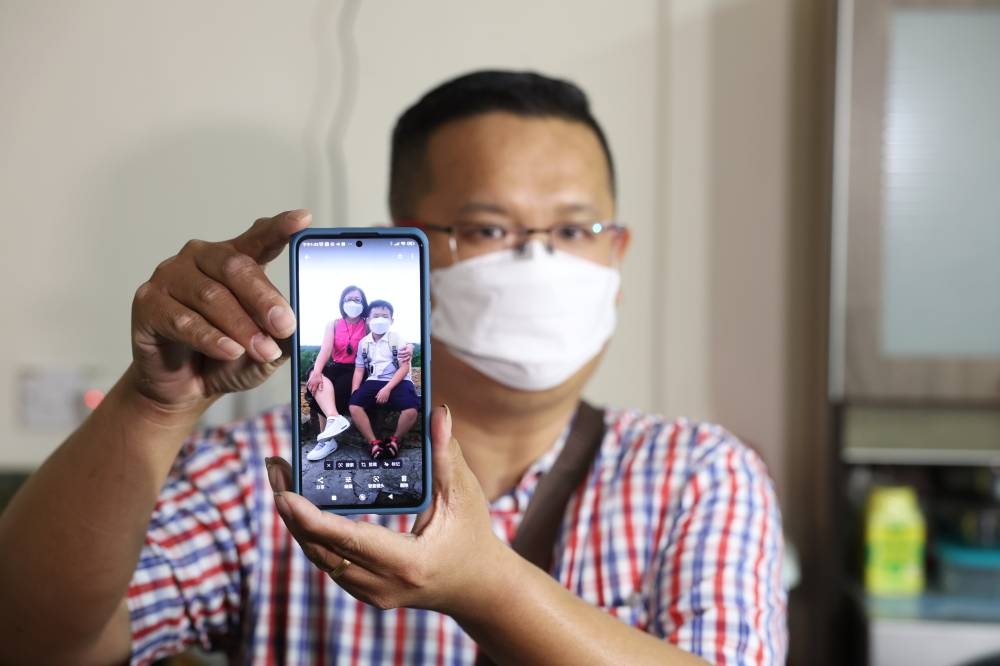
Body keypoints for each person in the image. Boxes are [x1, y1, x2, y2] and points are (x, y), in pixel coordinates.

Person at [0, 70, 786, 665]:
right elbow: (34, 641)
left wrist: (487, 585)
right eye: (488, 229)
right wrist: (150, 407)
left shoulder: (700, 475)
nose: (541, 260)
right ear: (401, 251)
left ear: (618, 252)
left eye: (577, 229)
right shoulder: (268, 477)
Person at [347, 299, 420, 459]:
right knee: (354, 406)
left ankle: (395, 440)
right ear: (368, 319)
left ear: (392, 320)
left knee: (411, 410)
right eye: (376, 316)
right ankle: (374, 443)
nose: (380, 319)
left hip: (399, 380)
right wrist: (355, 390)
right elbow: (359, 369)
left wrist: (387, 389)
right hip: (373, 380)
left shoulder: (397, 339)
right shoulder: (363, 343)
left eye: (385, 316)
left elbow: (404, 368)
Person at [305, 285, 369, 461]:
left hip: (358, 369)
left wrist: (407, 346)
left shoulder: (368, 324)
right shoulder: (333, 324)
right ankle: (334, 421)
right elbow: (325, 350)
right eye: (349, 299)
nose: (353, 302)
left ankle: (327, 440)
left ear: (364, 302)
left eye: (357, 299)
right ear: (342, 302)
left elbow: (387, 339)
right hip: (337, 365)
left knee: (333, 389)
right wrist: (317, 371)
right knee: (314, 378)